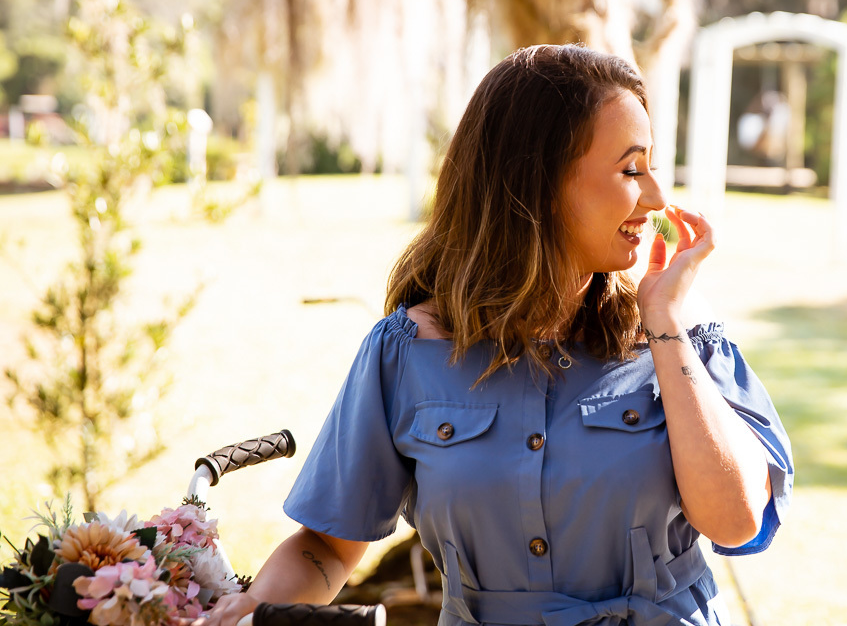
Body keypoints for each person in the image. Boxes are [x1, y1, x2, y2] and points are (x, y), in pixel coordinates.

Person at [198, 45, 794, 626]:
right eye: (630, 169)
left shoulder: (679, 331)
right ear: (537, 181)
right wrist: (257, 609)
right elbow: (328, 548)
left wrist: (665, 325)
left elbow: (738, 520)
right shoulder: (405, 351)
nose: (657, 197)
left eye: (651, 166)